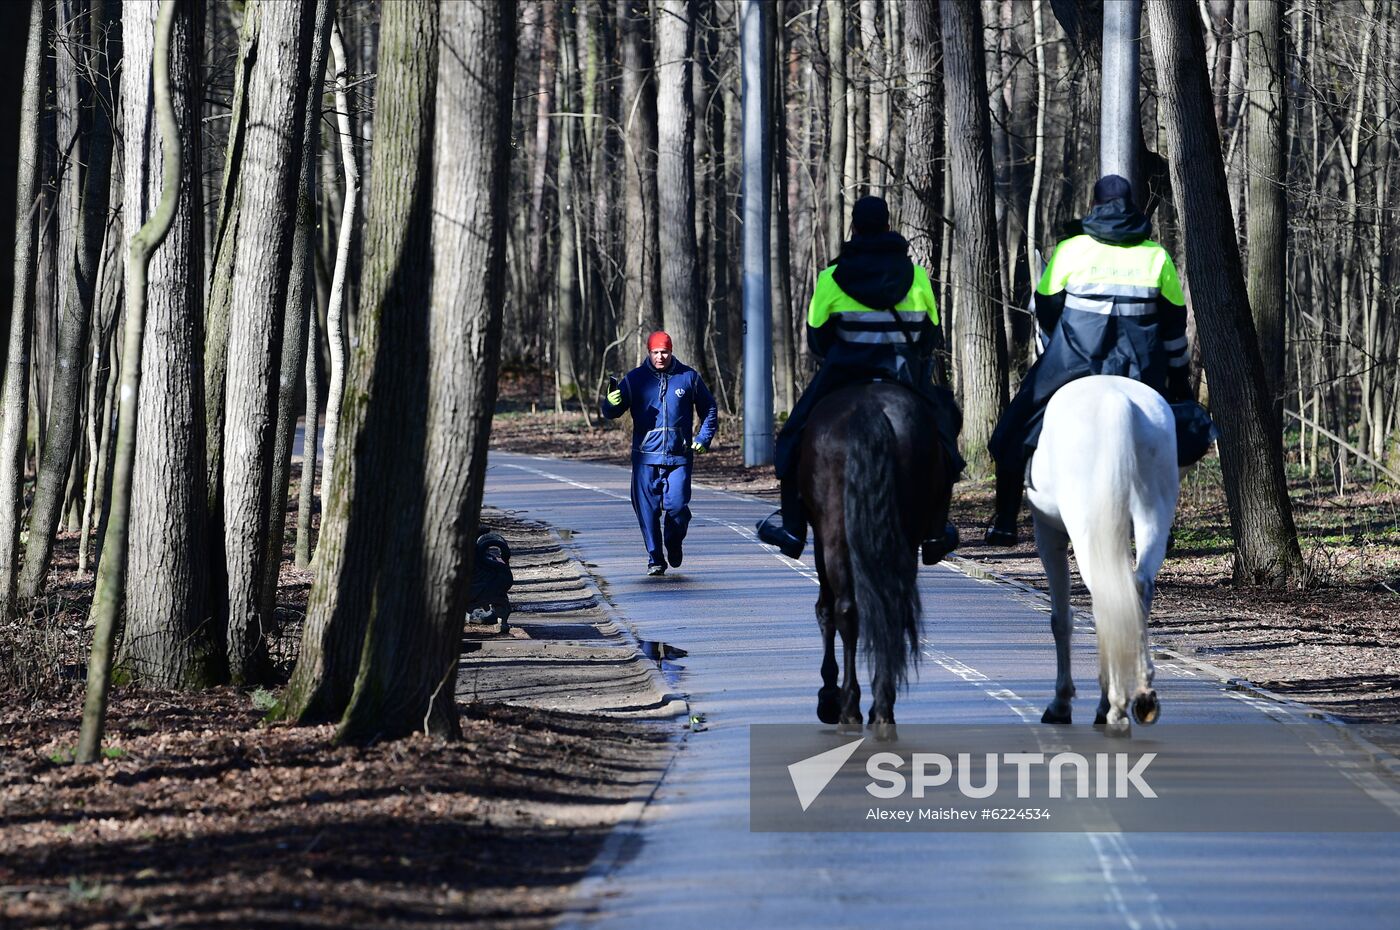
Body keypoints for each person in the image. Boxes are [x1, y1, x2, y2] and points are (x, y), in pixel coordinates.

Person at [984, 174, 1192, 545]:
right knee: (1181, 434)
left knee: (1010, 432)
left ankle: (1004, 520)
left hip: (1072, 363)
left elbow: (1046, 313)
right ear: (1132, 207)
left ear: (1093, 207)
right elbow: (1174, 327)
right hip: (1139, 370)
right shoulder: (1156, 255)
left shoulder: (1070, 250)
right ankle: (1162, 521)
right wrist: (1179, 380)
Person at [756, 195, 964, 561]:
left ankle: (791, 527)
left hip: (844, 374)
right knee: (944, 431)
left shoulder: (830, 277)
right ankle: (935, 532)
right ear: (888, 225)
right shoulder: (916, 276)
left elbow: (818, 340)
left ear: (854, 227)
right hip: (903, 377)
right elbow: (930, 337)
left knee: (793, 435)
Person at [602, 331, 718, 575]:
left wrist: (704, 438)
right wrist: (610, 403)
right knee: (647, 511)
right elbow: (612, 412)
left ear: (671, 350)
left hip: (679, 457)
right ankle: (655, 558)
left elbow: (709, 408)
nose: (660, 357)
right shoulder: (635, 379)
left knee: (677, 507)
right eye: (655, 352)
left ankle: (673, 542)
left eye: (664, 351)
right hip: (645, 457)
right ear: (649, 352)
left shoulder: (688, 377)